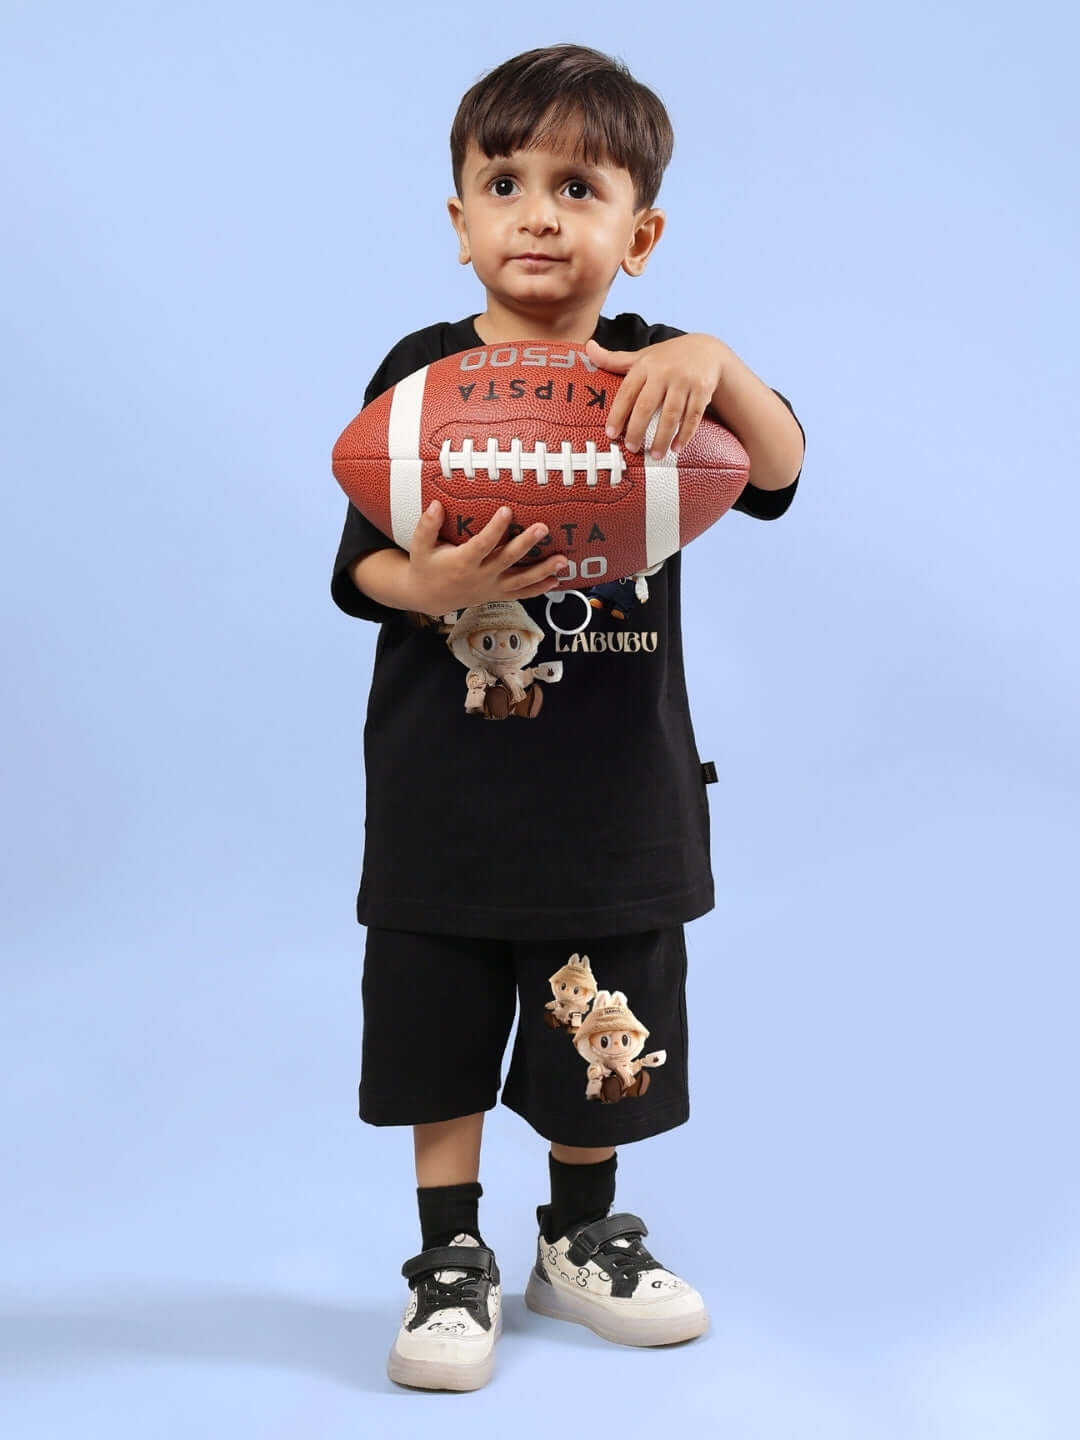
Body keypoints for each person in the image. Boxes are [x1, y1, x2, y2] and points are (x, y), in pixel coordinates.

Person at [330, 43, 805, 1391]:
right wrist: (428, 582)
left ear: (636, 234)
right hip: (444, 784)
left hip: (614, 792)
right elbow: (353, 564)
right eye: (504, 181)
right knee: (441, 1024)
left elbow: (775, 471)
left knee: (600, 1032)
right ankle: (450, 1256)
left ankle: (579, 1238)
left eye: (578, 186)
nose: (538, 211)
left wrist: (716, 360)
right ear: (462, 222)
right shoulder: (422, 377)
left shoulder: (665, 372)